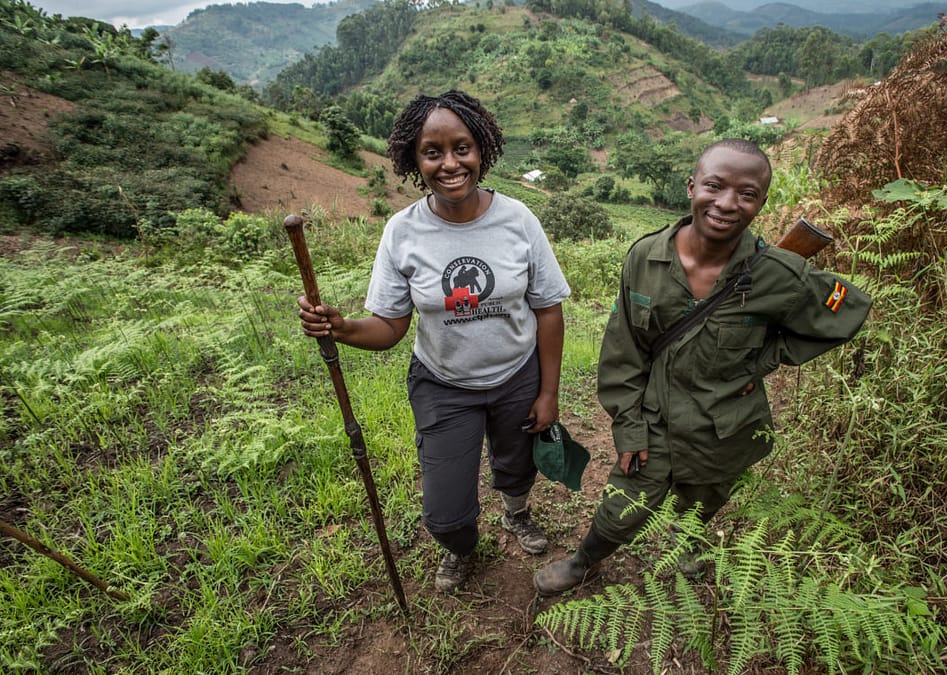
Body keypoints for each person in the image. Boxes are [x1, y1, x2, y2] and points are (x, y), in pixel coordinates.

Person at [533, 138, 872, 594]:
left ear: (761, 203)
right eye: (715, 186)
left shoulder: (781, 273)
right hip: (654, 415)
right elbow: (624, 350)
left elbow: (847, 311)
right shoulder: (646, 258)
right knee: (625, 502)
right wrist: (629, 428)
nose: (728, 203)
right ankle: (584, 561)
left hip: (724, 422)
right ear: (692, 186)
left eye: (747, 194)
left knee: (704, 498)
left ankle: (687, 542)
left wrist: (765, 356)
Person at [298, 90, 571, 593]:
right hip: (443, 383)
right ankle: (459, 545)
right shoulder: (403, 232)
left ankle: (516, 512)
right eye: (433, 152)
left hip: (516, 374)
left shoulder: (518, 220)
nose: (450, 163)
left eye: (462, 148)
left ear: (481, 150)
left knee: (516, 464)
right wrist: (341, 327)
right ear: (414, 159)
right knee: (444, 514)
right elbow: (389, 326)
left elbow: (548, 311)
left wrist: (548, 392)